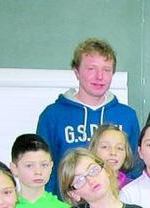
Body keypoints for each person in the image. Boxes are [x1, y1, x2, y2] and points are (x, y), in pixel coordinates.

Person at [37, 38, 140, 196]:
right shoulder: (52, 115)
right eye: (91, 69)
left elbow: (134, 168)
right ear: (77, 72)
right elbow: (43, 168)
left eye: (106, 70)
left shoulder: (127, 116)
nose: (99, 77)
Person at [89, 124, 136, 189]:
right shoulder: (86, 186)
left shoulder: (134, 187)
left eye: (119, 148)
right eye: (105, 147)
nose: (113, 153)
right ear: (93, 150)